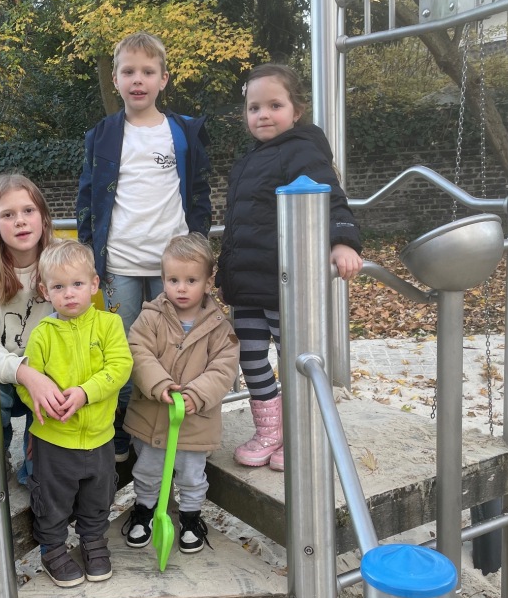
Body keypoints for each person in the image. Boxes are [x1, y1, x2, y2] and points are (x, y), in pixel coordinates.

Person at [216, 63, 363, 472]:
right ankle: (270, 430)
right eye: (253, 108)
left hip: (284, 282)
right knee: (250, 356)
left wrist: (342, 240)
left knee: (292, 356)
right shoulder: (248, 161)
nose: (262, 115)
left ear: (296, 110)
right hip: (247, 284)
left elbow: (330, 196)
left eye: (274, 105)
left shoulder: (302, 149)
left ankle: (300, 431)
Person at [76, 31, 213, 463]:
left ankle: (175, 428)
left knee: (175, 346)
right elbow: (87, 197)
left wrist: (200, 248)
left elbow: (200, 194)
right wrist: (86, 252)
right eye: (128, 71)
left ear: (163, 79)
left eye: (147, 72)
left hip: (173, 267)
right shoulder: (102, 135)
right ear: (115, 80)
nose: (138, 80)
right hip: (119, 265)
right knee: (124, 350)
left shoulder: (182, 133)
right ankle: (122, 433)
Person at [17, 239, 132, 588]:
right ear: (45, 291)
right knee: (52, 498)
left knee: (98, 494)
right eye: (59, 287)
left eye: (78, 284)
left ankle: (93, 540)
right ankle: (52, 549)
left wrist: (85, 393)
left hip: (99, 435)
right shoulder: (42, 334)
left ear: (94, 285)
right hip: (54, 438)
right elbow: (27, 383)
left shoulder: (109, 325)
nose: (69, 294)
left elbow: (121, 365)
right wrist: (44, 402)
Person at [121, 233, 239, 554]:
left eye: (191, 280)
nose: (181, 288)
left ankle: (190, 518)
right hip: (152, 418)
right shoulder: (151, 317)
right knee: (147, 470)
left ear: (208, 280)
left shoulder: (218, 326)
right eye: (173, 280)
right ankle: (144, 512)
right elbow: (138, 352)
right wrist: (160, 384)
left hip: (194, 421)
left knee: (191, 474)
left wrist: (196, 395)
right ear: (162, 279)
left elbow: (224, 368)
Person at [0, 173, 65, 486]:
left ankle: (35, 460)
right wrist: (26, 373)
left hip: (50, 376)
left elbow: (83, 325)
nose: (20, 221)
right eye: (8, 214)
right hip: (8, 380)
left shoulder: (63, 261)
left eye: (28, 211)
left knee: (39, 478)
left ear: (43, 217)